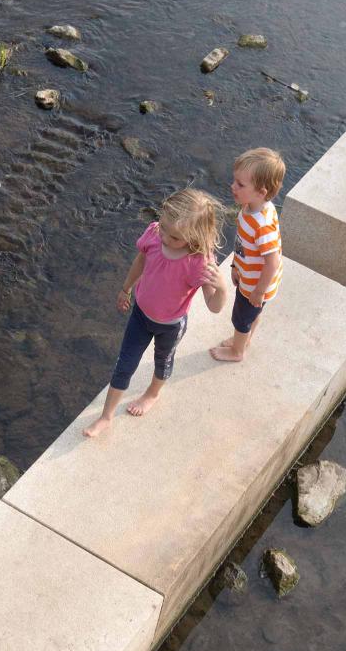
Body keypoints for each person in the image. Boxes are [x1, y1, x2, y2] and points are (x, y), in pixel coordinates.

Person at [83, 189, 227, 438]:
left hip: (171, 324)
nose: (165, 237)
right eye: (163, 228)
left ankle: (152, 394)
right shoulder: (154, 234)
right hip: (140, 314)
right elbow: (140, 261)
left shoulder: (198, 262)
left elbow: (214, 306)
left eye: (174, 237)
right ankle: (106, 416)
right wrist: (125, 288)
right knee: (124, 365)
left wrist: (222, 287)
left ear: (194, 237)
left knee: (163, 361)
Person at [211, 146, 286, 363]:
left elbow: (271, 263)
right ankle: (245, 340)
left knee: (241, 318)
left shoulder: (261, 224)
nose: (232, 186)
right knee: (253, 314)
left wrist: (258, 291)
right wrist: (236, 266)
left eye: (240, 184)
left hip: (256, 283)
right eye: (235, 181)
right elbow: (242, 244)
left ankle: (237, 351)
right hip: (250, 276)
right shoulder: (252, 207)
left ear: (261, 192)